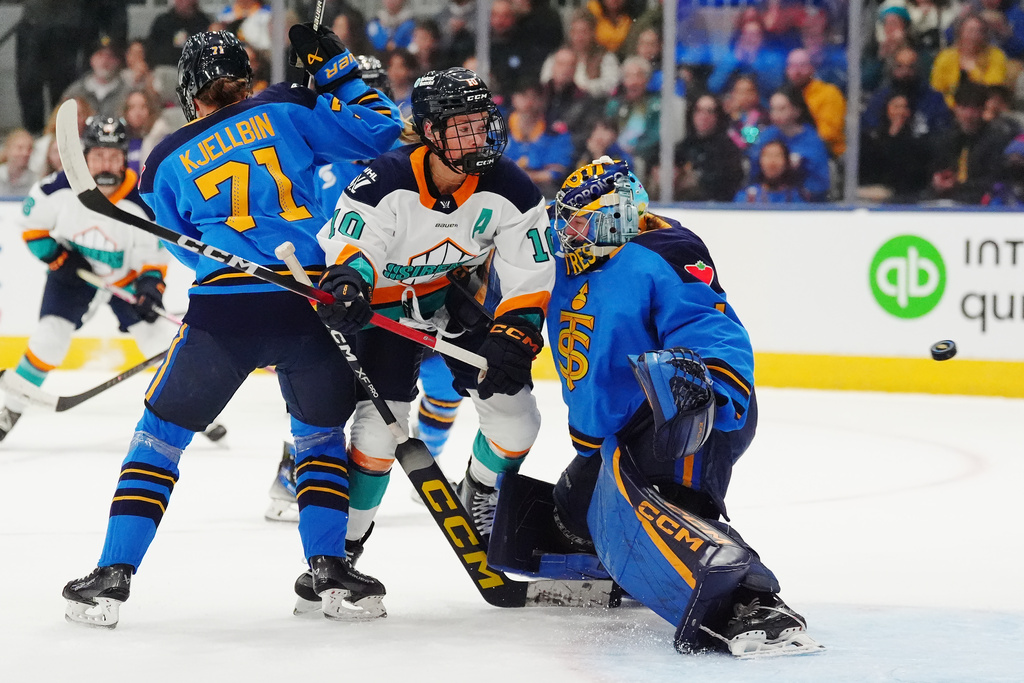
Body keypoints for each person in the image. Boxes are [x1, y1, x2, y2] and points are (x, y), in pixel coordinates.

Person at [60, 28, 403, 628]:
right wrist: (339, 74)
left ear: (189, 90)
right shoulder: (287, 107)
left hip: (224, 312)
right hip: (307, 302)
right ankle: (330, 571)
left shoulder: (165, 159)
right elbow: (381, 132)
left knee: (158, 440)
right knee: (318, 441)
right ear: (246, 75)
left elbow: (189, 250)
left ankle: (113, 576)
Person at [512, 157, 819, 657]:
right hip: (618, 429)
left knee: (661, 505)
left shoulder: (667, 252)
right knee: (572, 506)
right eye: (565, 218)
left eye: (581, 220)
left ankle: (751, 600)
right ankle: (626, 564)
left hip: (686, 408)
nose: (568, 230)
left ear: (619, 216)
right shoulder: (560, 258)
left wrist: (711, 386)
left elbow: (707, 325)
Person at [313, 66, 554, 566]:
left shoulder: (510, 187)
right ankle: (345, 552)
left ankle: (479, 489)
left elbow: (531, 270)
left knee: (518, 421)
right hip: (387, 314)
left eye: (481, 122)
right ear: (429, 132)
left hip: (456, 303)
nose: (477, 136)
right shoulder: (386, 177)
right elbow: (355, 245)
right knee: (379, 433)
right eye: (461, 126)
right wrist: (350, 281)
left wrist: (518, 329)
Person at [0, 118, 172, 443]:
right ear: (85, 157)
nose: (106, 164)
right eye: (98, 156)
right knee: (48, 340)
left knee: (160, 342)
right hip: (73, 275)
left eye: (113, 156)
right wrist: (58, 257)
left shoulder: (144, 200)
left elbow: (155, 259)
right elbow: (30, 226)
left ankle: (188, 413)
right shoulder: (58, 188)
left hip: (125, 281)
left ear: (124, 158)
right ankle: (9, 410)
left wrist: (151, 288)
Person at [734, 139, 807, 203]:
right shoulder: (746, 196)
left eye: (777, 155)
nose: (772, 162)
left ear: (786, 162)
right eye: (767, 155)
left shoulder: (797, 197)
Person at [0, 129, 38, 197]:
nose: (25, 153)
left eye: (29, 149)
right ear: (7, 149)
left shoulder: (36, 181)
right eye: (20, 148)